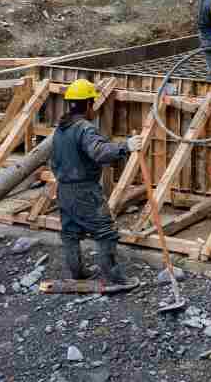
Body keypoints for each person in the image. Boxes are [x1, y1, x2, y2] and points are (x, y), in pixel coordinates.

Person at [52, 78, 144, 284]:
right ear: (87, 104)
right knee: (105, 232)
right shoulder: (84, 128)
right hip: (84, 190)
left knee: (70, 233)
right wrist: (125, 146)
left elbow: (54, 161)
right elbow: (99, 152)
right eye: (92, 103)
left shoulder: (60, 129)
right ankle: (115, 278)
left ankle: (77, 273)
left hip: (64, 190)